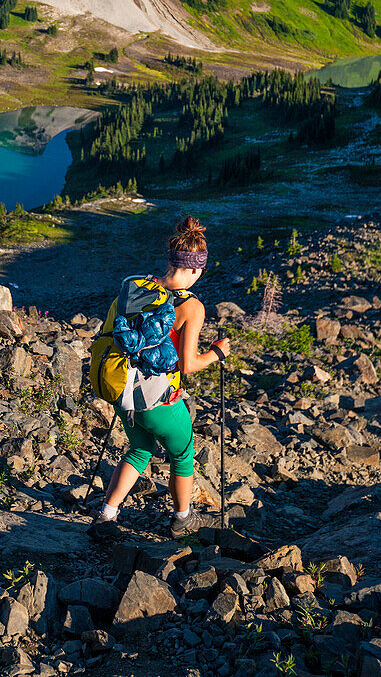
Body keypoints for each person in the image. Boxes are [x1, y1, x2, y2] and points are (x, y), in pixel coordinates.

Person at [93, 216, 230, 539]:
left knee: (140, 449)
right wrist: (218, 353)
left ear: (171, 261)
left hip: (122, 391)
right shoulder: (192, 306)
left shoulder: (138, 289)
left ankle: (107, 515)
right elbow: (187, 366)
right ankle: (183, 520)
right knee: (183, 453)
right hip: (159, 399)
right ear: (196, 269)